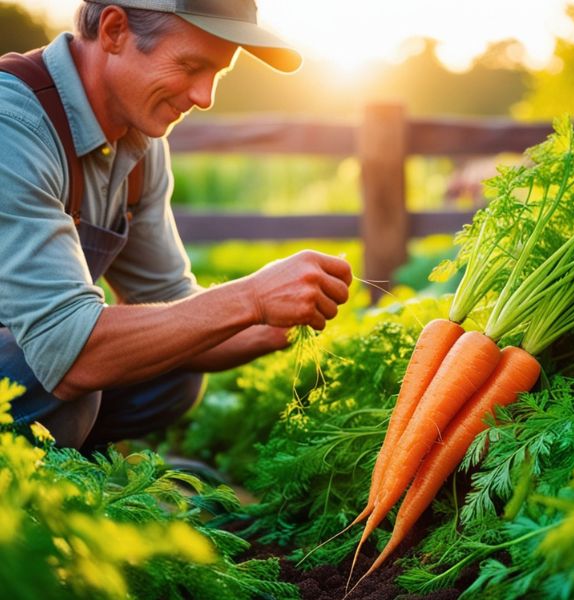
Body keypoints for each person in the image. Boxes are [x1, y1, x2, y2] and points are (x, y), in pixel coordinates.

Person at [0, 0, 353, 451]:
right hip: (36, 365)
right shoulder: (14, 124)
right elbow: (71, 354)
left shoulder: (139, 143)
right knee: (64, 382)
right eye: (190, 65)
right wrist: (252, 296)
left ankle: (68, 467)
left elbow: (170, 304)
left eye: (218, 75)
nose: (205, 97)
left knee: (175, 371)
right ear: (113, 31)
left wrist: (281, 316)